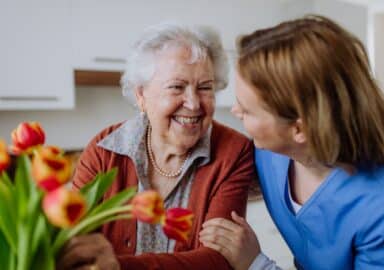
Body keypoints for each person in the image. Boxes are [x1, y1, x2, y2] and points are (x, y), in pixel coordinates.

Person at [199, 15, 384, 270]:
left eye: (247, 111)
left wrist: (256, 264)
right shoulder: (272, 154)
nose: (236, 112)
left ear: (298, 128)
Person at [58, 24, 255, 270]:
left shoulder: (234, 152)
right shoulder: (104, 151)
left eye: (205, 87)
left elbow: (220, 260)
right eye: (177, 87)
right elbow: (73, 243)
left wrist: (118, 267)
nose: (193, 104)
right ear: (141, 95)